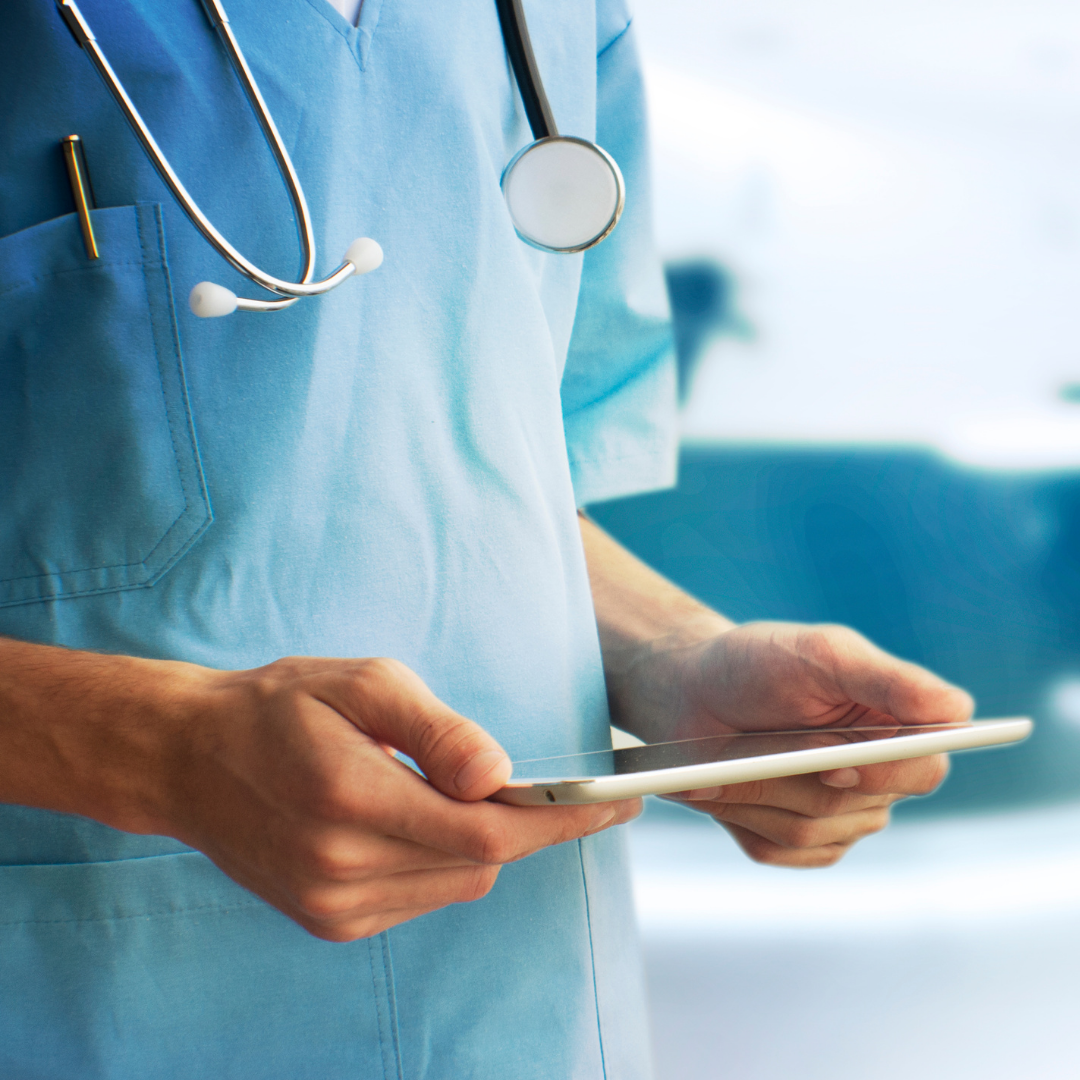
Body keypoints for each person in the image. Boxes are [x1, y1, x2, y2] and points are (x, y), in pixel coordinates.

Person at [0, 0, 969, 1076]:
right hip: (98, 993)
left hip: (521, 998)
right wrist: (161, 751)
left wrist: (671, 664)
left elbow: (491, 473)